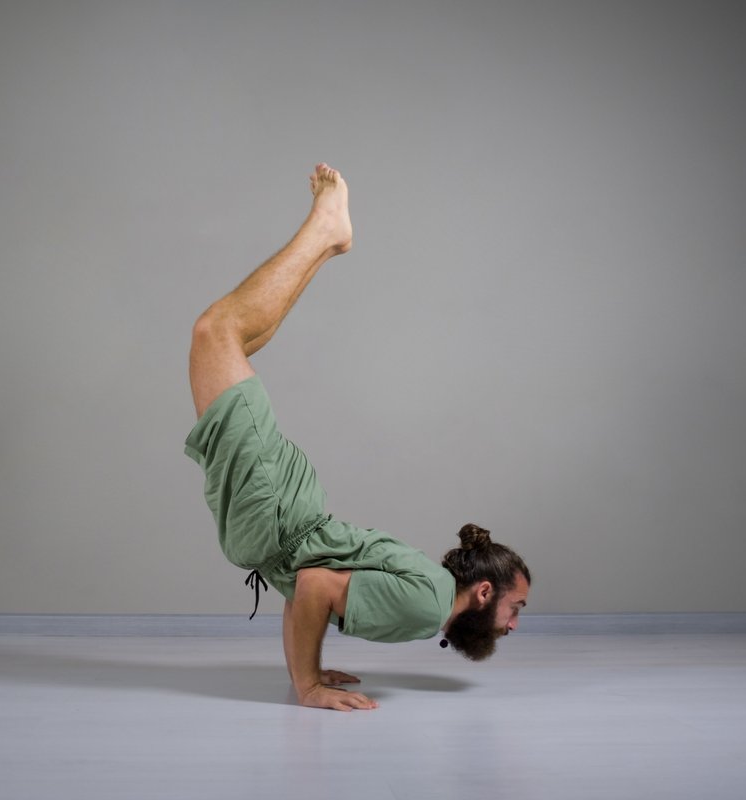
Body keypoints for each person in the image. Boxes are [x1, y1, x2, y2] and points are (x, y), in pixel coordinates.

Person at [185, 164, 531, 712]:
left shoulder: (430, 593)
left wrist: (307, 671)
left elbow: (308, 587)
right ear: (485, 592)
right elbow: (314, 586)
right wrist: (308, 686)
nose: (513, 624)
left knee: (227, 335)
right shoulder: (427, 605)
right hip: (277, 513)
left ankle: (328, 238)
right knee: (219, 333)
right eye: (516, 609)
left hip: (280, 516)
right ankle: (326, 233)